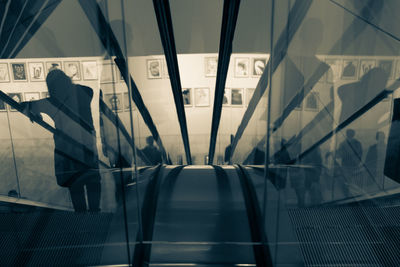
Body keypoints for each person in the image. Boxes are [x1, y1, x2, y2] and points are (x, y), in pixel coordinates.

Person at [22, 69, 101, 212]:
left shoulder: (51, 102)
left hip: (68, 151)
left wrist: (35, 113)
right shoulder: (83, 92)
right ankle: (95, 215)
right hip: (87, 148)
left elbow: (25, 106)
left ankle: (82, 217)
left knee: (76, 185)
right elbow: (90, 90)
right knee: (92, 181)